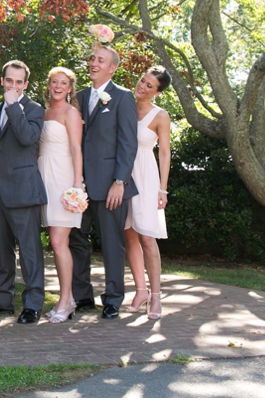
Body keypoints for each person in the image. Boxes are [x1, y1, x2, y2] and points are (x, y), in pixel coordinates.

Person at [70, 43, 139, 319]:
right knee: (76, 239)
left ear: (112, 68)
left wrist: (119, 181)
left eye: (100, 60)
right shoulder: (79, 96)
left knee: (112, 243)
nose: (93, 63)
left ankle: (113, 299)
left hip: (111, 185)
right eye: (92, 58)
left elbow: (128, 143)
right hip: (79, 185)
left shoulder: (122, 97)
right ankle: (82, 295)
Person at [0, 60, 48, 324]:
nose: (13, 86)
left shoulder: (34, 110)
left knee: (30, 251)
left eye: (19, 82)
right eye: (9, 81)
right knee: (1, 250)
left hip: (24, 190)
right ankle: (3, 300)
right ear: (2, 81)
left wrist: (13, 106)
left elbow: (27, 138)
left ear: (26, 85)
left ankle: (32, 304)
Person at [123, 66, 171, 320]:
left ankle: (155, 296)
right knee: (129, 236)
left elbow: (164, 152)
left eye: (149, 85)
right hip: (123, 176)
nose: (142, 86)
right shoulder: (125, 104)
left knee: (147, 239)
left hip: (146, 176)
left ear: (158, 93)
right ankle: (140, 291)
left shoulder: (160, 115)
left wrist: (162, 188)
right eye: (142, 81)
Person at [38, 66, 84, 324]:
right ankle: (65, 298)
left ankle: (67, 299)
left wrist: (77, 185)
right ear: (49, 85)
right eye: (54, 81)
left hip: (63, 178)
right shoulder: (44, 113)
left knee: (59, 242)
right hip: (44, 177)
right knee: (55, 243)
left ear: (69, 88)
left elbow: (77, 150)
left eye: (63, 83)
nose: (58, 86)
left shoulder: (71, 112)